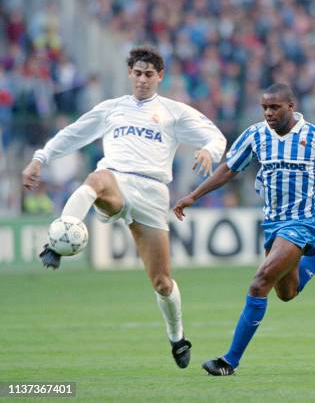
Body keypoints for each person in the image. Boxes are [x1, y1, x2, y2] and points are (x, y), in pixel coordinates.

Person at [21, 46, 227, 369]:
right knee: (96, 179)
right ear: (130, 74)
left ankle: (177, 337)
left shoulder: (174, 112)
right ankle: (57, 242)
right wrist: (40, 158)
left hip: (153, 194)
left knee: (162, 282)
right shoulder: (111, 109)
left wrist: (209, 152)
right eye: (137, 73)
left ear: (160, 76)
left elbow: (215, 136)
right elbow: (74, 134)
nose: (142, 79)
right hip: (116, 181)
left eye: (149, 74)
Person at [173, 83, 315, 376]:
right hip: (273, 222)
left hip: (304, 220)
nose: (269, 113)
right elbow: (229, 168)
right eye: (264, 108)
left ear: (291, 106)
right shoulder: (255, 134)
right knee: (287, 293)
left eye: (274, 107)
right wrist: (194, 196)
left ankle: (229, 361)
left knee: (260, 282)